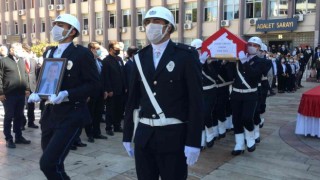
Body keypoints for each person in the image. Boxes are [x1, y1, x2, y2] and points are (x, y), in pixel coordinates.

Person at [122, 6, 204, 179]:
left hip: (174, 137)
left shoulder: (185, 56)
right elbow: (132, 100)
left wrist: (193, 142)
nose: (151, 26)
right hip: (144, 136)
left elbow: (196, 102)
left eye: (157, 21)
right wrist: (127, 135)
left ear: (169, 27)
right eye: (148, 22)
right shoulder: (139, 57)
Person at [28, 14, 99, 179]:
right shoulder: (50, 51)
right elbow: (45, 79)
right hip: (50, 115)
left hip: (71, 115)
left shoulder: (81, 53)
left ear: (73, 31)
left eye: (61, 25)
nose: (55, 28)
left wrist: (67, 94)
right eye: (55, 24)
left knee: (48, 163)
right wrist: (39, 93)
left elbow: (94, 85)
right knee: (55, 164)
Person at [228, 37, 265, 155]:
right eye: (250, 44)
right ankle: (239, 144)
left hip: (250, 94)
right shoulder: (238, 59)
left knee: (247, 117)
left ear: (259, 48)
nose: (252, 47)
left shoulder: (261, 61)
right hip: (236, 94)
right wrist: (227, 62)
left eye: (255, 45)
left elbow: (254, 75)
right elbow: (229, 76)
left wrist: (244, 62)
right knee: (236, 119)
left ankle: (250, 137)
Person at [0, 42, 31, 148]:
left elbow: (25, 75)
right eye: (17, 49)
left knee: (19, 116)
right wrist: (1, 93)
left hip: (20, 94)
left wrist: (27, 88)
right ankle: (8, 138)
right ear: (11, 50)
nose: (19, 51)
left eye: (20, 49)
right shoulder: (4, 61)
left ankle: (18, 136)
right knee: (9, 116)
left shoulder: (21, 61)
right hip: (8, 95)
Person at [191, 39, 216, 150]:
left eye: (201, 49)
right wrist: (200, 62)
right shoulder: (191, 61)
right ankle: (201, 140)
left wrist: (206, 63)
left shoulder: (212, 61)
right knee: (198, 116)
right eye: (197, 50)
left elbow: (214, 76)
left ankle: (210, 133)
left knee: (206, 113)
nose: (199, 51)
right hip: (197, 92)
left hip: (210, 91)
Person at [102, 41, 127, 136]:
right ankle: (109, 127)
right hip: (112, 90)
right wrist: (109, 90)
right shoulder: (106, 61)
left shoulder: (119, 59)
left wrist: (125, 86)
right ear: (111, 49)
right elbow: (106, 77)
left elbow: (123, 74)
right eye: (116, 49)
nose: (118, 50)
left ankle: (117, 126)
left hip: (120, 89)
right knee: (110, 110)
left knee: (119, 109)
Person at [85, 42, 108, 142]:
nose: (99, 50)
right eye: (97, 48)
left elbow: (102, 77)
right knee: (90, 114)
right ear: (91, 49)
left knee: (98, 113)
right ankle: (90, 134)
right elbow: (85, 79)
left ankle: (97, 132)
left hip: (100, 92)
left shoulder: (99, 61)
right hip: (91, 93)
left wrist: (105, 90)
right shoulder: (87, 61)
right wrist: (86, 93)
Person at [21, 44, 39, 129]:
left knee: (31, 106)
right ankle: (22, 122)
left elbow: (36, 73)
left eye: (23, 51)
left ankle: (31, 122)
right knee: (21, 106)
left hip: (32, 86)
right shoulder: (19, 61)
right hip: (22, 86)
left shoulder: (33, 61)